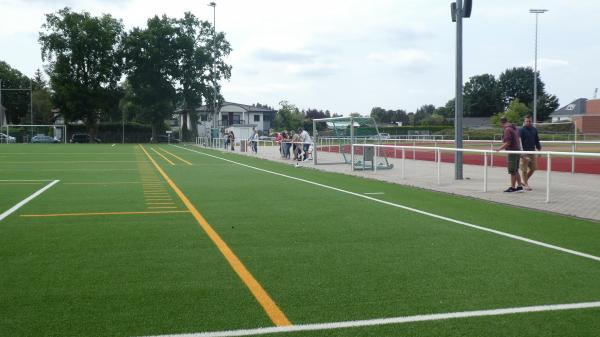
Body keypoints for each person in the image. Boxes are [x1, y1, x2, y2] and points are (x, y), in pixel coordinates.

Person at [496, 116, 524, 193]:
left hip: (512, 152)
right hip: (517, 151)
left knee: (512, 170)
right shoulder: (514, 128)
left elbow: (507, 143)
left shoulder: (507, 129)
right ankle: (519, 186)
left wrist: (499, 149)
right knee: (515, 170)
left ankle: (512, 187)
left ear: (501, 123)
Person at [519, 115, 541, 191]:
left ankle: (524, 181)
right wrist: (522, 153)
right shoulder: (521, 130)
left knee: (533, 168)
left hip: (532, 152)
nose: (528, 122)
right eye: (526, 121)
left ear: (531, 121)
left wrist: (539, 150)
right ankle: (526, 184)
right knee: (524, 169)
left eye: (529, 121)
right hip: (524, 153)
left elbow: (537, 141)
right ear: (524, 122)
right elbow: (519, 142)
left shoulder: (534, 130)